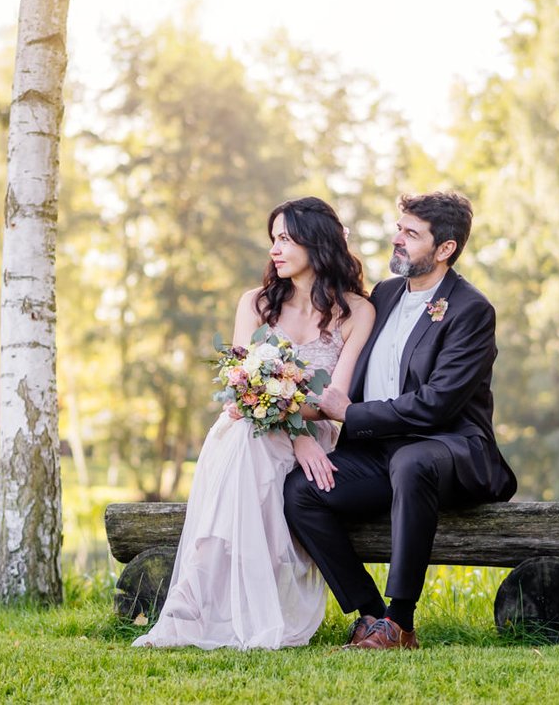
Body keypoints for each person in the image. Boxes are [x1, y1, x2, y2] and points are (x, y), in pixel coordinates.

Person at [133, 196, 375, 650]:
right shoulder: (256, 303)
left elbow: (333, 402)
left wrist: (303, 434)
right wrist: (295, 432)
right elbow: (245, 387)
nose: (275, 250)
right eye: (273, 240)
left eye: (285, 238)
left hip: (308, 434)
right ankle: (196, 610)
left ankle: (239, 609)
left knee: (248, 438)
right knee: (245, 436)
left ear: (315, 242)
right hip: (254, 427)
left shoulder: (357, 312)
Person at [283, 190, 517, 650]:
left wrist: (351, 414)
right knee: (301, 491)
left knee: (412, 461)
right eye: (398, 228)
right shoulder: (384, 296)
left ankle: (401, 622)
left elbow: (436, 405)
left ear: (445, 248)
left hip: (449, 448)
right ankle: (370, 614)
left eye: (411, 234)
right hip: (376, 452)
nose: (397, 239)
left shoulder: (471, 310)